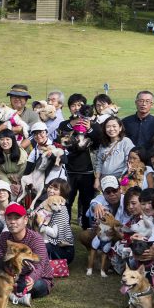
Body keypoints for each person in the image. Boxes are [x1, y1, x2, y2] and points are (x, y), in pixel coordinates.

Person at [0, 203, 53, 306]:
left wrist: (31, 278)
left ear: (25, 220)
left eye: (16, 218)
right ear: (5, 220)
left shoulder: (35, 238)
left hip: (37, 277)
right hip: (11, 276)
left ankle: (11, 292)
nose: (13, 222)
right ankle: (14, 293)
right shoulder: (4, 236)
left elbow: (39, 265)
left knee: (35, 285)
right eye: (9, 218)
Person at [57, 94, 102, 227]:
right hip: (68, 170)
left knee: (87, 200)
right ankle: (65, 227)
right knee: (66, 200)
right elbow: (61, 141)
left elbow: (98, 142)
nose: (76, 108)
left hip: (87, 170)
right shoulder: (64, 124)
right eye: (73, 105)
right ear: (69, 108)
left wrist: (89, 128)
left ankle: (87, 228)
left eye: (79, 105)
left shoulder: (94, 125)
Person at [37, 178, 74, 263]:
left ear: (62, 192)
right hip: (50, 244)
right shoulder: (47, 203)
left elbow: (56, 235)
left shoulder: (60, 209)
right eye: (50, 187)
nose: (51, 190)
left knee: (36, 244)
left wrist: (41, 224)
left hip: (62, 251)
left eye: (55, 189)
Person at [94, 116, 134, 190]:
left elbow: (129, 161)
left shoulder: (126, 141)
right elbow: (99, 163)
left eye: (114, 126)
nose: (111, 129)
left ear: (120, 128)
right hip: (104, 180)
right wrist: (97, 179)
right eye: (108, 127)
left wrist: (124, 178)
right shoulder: (103, 145)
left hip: (119, 179)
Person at [0, 129, 27, 198]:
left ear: (13, 140)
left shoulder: (21, 153)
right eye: (2, 139)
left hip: (20, 181)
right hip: (4, 181)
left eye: (7, 139)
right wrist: (9, 185)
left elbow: (23, 170)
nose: (5, 142)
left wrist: (17, 184)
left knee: (18, 194)